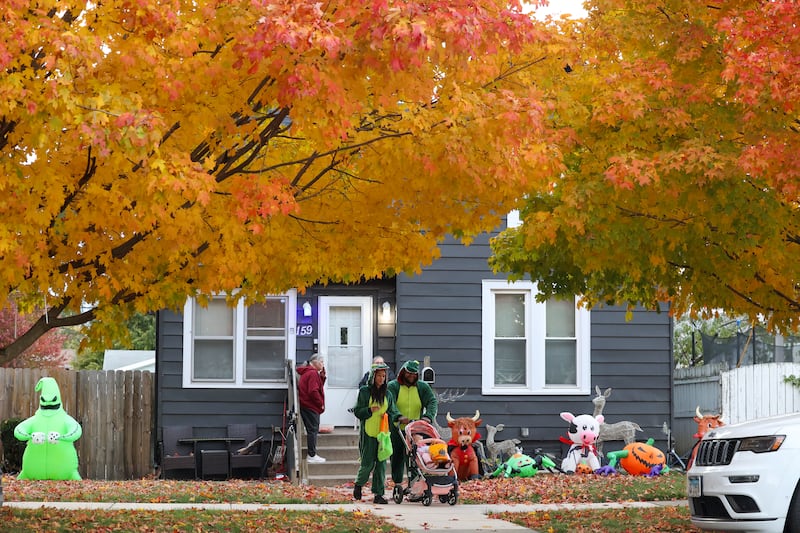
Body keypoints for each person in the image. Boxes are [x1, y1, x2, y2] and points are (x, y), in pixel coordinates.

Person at [387, 359, 438, 500]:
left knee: (416, 456)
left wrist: (428, 416)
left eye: (414, 374)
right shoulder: (393, 386)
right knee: (397, 456)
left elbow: (432, 401)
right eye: (408, 373)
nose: (411, 377)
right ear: (403, 372)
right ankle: (397, 483)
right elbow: (390, 404)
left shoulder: (422, 387)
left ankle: (415, 486)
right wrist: (398, 416)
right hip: (398, 428)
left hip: (416, 428)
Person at [352, 362, 401, 504]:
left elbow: (393, 410)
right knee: (367, 463)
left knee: (381, 465)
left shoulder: (388, 394)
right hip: (369, 433)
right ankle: (358, 484)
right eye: (379, 375)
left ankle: (378, 494)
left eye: (384, 376)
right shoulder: (364, 392)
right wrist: (368, 410)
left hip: (383, 434)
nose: (381, 378)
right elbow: (357, 411)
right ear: (373, 377)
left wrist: (399, 417)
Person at [297, 353, 326, 463]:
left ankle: (312, 454)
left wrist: (322, 376)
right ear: (316, 362)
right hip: (310, 406)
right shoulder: (313, 373)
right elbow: (313, 391)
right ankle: (312, 455)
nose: (323, 364)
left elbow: (317, 386)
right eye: (322, 362)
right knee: (313, 430)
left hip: (306, 405)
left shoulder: (309, 372)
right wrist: (320, 404)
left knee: (312, 429)